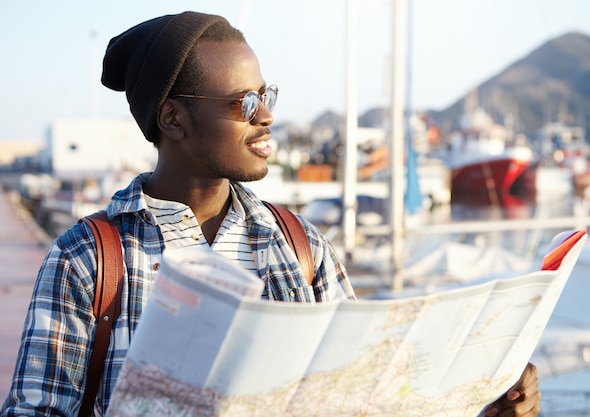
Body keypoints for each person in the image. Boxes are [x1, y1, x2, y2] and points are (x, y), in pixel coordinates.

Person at [0, 11, 540, 417]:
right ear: (173, 118)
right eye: (245, 103)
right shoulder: (90, 259)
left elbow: (365, 401)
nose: (268, 117)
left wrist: (485, 404)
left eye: (267, 95)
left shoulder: (300, 246)